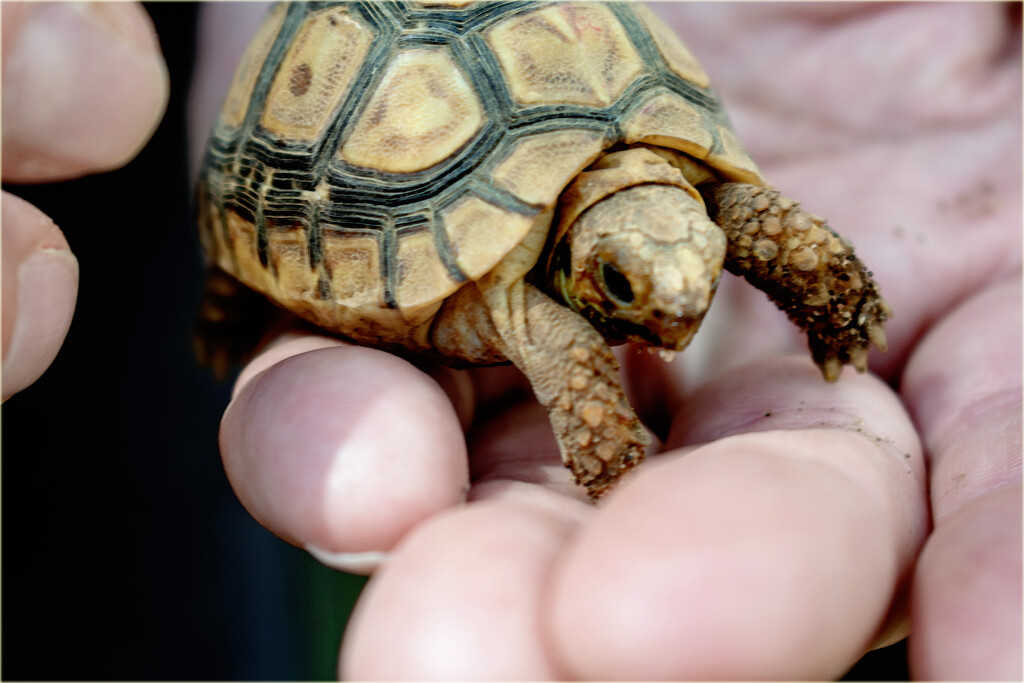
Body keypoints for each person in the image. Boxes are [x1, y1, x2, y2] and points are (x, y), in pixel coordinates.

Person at [3, 2, 1020, 679]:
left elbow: (754, 218)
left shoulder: (686, 204)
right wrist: (620, 466)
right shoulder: (539, 306)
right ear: (581, 260)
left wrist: (835, 302)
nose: (672, 312)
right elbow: (571, 347)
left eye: (692, 271)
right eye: (629, 286)